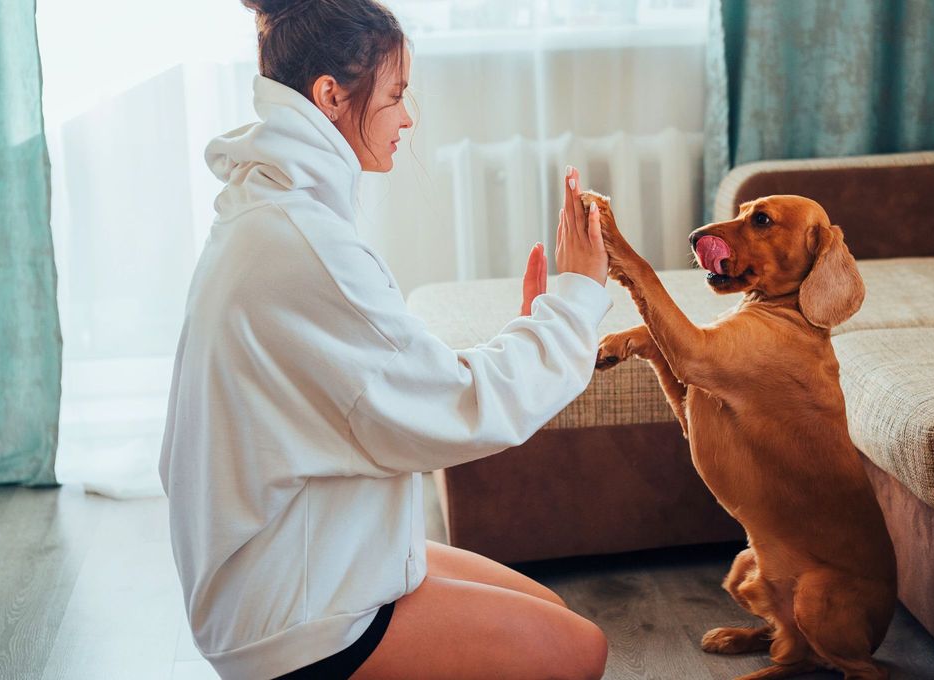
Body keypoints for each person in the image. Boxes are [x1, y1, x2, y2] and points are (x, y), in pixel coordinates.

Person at [157, 1, 612, 678]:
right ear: (331, 95)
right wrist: (575, 300)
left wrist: (534, 325)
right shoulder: (302, 243)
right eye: (396, 96)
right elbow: (458, 407)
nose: (409, 118)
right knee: (580, 654)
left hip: (301, 551)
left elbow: (392, 382)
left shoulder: (275, 209)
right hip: (292, 610)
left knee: (551, 612)